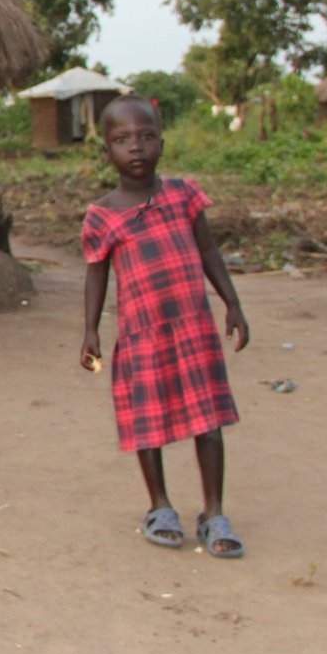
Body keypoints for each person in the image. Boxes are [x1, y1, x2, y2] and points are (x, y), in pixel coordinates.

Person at [80, 94, 249, 559]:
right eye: (122, 139)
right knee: (147, 425)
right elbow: (96, 272)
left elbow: (210, 252)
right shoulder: (103, 215)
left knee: (208, 422)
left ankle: (214, 513)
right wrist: (90, 331)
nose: (136, 147)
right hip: (142, 336)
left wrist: (231, 303)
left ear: (162, 143)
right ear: (106, 152)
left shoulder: (184, 196)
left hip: (194, 330)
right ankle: (161, 506)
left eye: (147, 136)